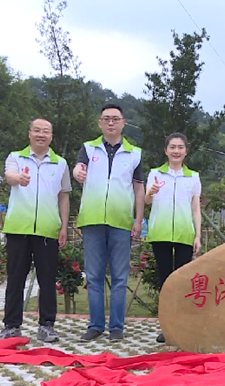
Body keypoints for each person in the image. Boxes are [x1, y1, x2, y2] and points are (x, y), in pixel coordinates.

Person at [73, 104, 145, 342]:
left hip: (121, 221)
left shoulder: (134, 153)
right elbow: (78, 169)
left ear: (124, 123)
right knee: (93, 275)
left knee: (120, 276)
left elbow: (138, 188)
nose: (111, 123)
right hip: (92, 220)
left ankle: (116, 326)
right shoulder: (87, 148)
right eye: (107, 119)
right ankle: (95, 325)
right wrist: (77, 173)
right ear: (99, 123)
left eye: (115, 119)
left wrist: (138, 220)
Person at [0, 118, 71, 342]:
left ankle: (47, 325)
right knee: (15, 278)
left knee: (47, 280)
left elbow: (64, 195)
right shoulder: (16, 157)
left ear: (51, 136)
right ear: (29, 134)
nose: (41, 135)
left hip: (48, 230)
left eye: (46, 131)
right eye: (37, 130)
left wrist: (64, 226)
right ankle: (11, 325)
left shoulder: (60, 163)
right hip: (19, 228)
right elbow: (8, 176)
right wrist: (18, 178)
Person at [145, 133, 203, 343]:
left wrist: (197, 235)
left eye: (180, 147)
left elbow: (196, 209)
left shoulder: (193, 177)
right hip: (160, 233)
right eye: (172, 147)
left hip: (184, 234)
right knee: (165, 280)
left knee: (181, 281)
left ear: (186, 151)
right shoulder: (155, 174)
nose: (176, 151)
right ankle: (166, 326)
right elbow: (147, 201)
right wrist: (150, 192)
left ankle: (183, 325)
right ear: (166, 150)